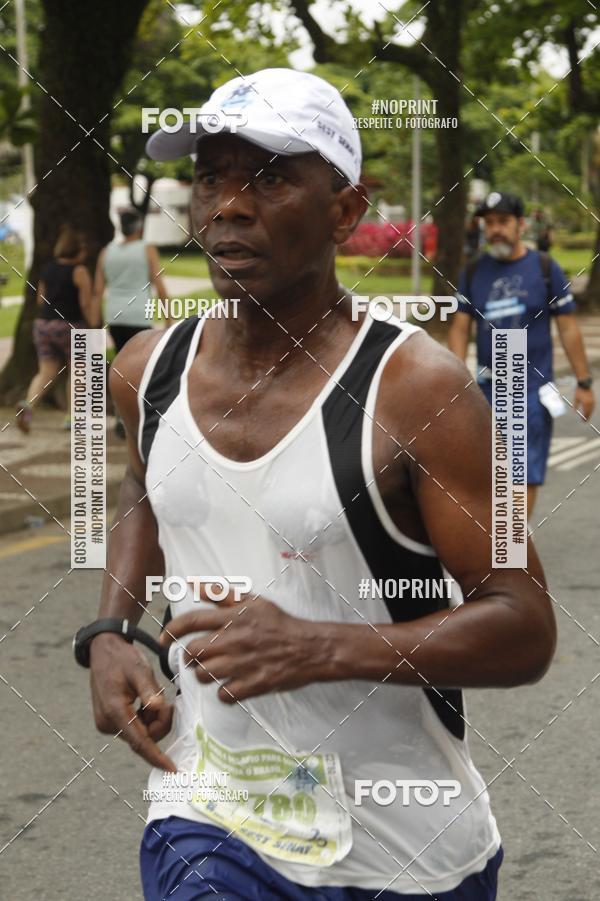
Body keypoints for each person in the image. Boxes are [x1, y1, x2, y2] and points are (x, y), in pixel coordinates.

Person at [82, 71, 557, 900]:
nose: (227, 205)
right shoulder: (143, 371)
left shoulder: (423, 392)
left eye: (267, 178)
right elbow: (140, 486)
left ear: (344, 209)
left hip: (404, 849)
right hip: (210, 813)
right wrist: (110, 630)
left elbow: (525, 623)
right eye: (209, 178)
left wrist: (321, 647)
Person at [448, 191, 595, 515]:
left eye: (503, 221)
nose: (495, 229)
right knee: (486, 473)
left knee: (522, 473)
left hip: (530, 388)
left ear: (520, 224)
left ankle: (514, 544)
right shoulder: (473, 272)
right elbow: (460, 328)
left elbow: (568, 327)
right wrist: (458, 384)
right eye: (489, 223)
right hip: (485, 388)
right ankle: (506, 543)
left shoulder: (544, 268)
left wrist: (584, 382)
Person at [93, 208, 168, 436]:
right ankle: (140, 416)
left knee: (120, 364)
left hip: (115, 315)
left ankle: (120, 414)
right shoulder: (147, 249)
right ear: (139, 227)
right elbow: (159, 285)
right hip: (138, 315)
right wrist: (169, 319)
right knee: (143, 367)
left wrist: (95, 324)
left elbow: (98, 290)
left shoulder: (106, 252)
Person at [16, 226, 95, 433]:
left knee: (46, 371)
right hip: (70, 325)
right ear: (78, 250)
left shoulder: (48, 269)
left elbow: (40, 299)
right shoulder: (79, 270)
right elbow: (85, 303)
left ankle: (28, 405)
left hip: (43, 325)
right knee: (78, 371)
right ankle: (71, 417)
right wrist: (94, 323)